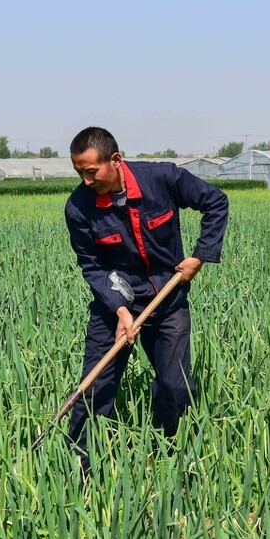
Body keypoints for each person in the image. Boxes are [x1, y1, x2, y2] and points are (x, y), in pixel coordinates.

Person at [63, 126, 228, 470]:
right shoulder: (79, 208)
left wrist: (198, 257)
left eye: (91, 172)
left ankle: (173, 456)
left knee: (175, 386)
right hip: (115, 304)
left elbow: (215, 202)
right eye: (79, 172)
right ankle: (80, 467)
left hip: (167, 300)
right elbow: (91, 266)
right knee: (96, 385)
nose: (86, 180)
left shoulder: (162, 179)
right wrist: (121, 311)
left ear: (115, 160)